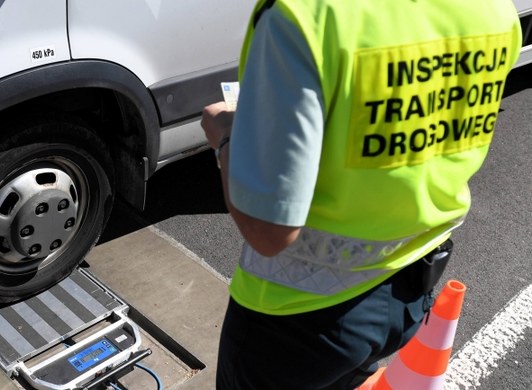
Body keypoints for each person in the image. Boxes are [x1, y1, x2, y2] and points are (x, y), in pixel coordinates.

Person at [200, 0, 523, 388]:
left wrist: (226, 136)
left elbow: (269, 231)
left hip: (297, 323)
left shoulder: (306, 15)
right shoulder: (492, 10)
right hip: (409, 294)